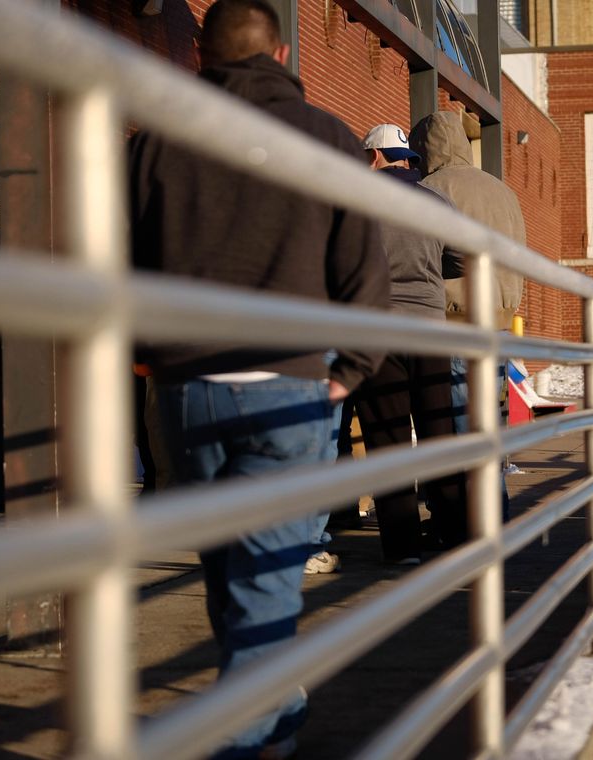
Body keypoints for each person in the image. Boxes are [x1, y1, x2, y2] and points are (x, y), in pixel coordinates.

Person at [127, 2, 390, 758]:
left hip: (188, 388)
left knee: (231, 580)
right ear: (279, 55)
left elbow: (122, 253)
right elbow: (360, 268)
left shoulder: (156, 142)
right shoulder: (331, 141)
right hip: (291, 384)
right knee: (264, 581)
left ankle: (271, 721)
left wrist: (152, 355)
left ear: (200, 61)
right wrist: (353, 369)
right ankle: (256, 732)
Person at [355, 123, 467, 561]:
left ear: (373, 157)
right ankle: (453, 534)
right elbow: (460, 256)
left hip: (376, 331)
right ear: (407, 159)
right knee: (439, 429)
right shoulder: (436, 202)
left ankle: (401, 545)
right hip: (429, 330)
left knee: (388, 437)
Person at [409, 110, 527, 520]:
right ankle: (495, 511)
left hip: (456, 322)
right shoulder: (501, 190)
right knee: (488, 423)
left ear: (425, 148)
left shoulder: (432, 188)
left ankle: (480, 520)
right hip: (499, 320)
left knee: (461, 427)